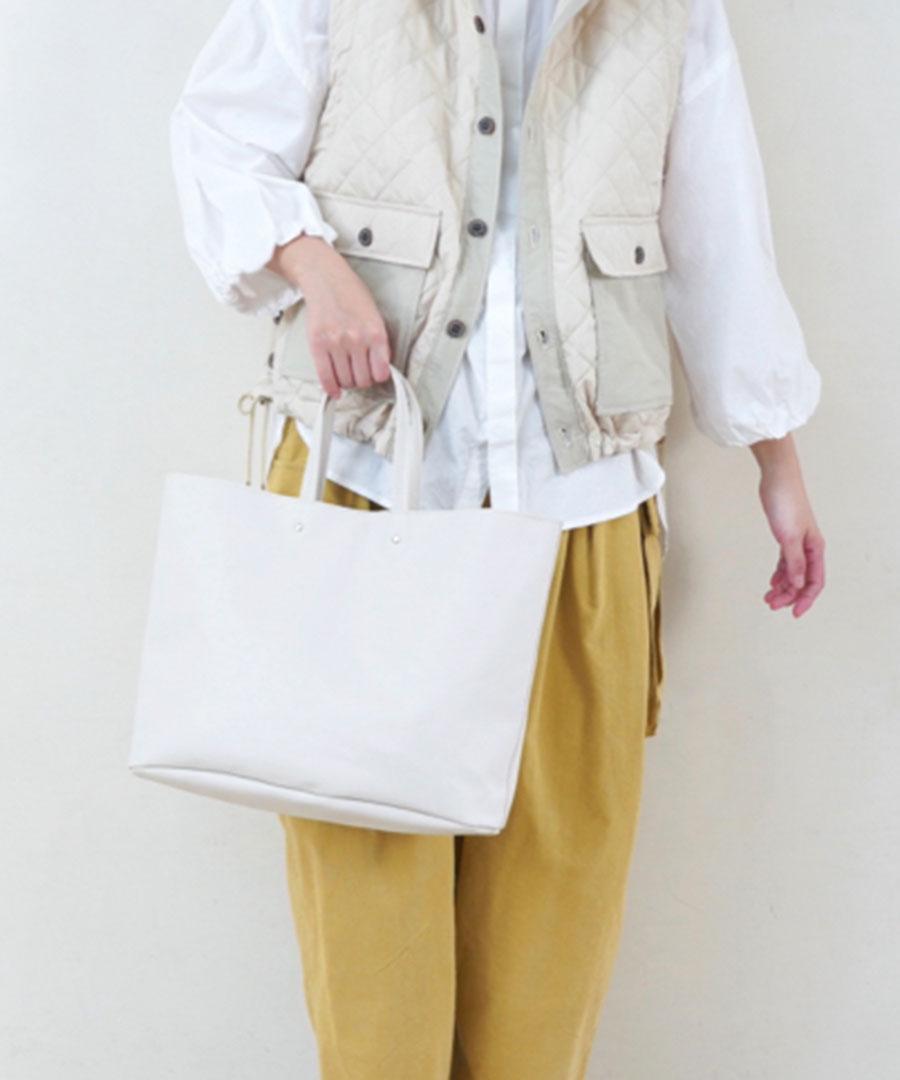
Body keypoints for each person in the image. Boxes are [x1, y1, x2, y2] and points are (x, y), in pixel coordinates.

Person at [169, 0, 826, 1075]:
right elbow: (218, 136)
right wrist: (317, 269)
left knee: (546, 976)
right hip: (366, 502)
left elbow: (720, 227)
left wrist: (778, 461)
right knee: (375, 991)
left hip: (581, 521)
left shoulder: (672, 11)